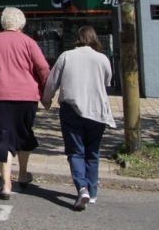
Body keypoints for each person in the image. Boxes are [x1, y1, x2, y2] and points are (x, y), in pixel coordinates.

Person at [0, 7, 50, 200]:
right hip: (27, 97)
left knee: (4, 137)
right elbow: (43, 68)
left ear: (3, 23)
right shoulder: (29, 42)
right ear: (21, 23)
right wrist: (45, 92)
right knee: (24, 134)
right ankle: (23, 175)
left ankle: (6, 184)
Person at [43, 25, 115, 211]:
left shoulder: (66, 56)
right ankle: (92, 192)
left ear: (78, 38)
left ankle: (81, 187)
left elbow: (52, 81)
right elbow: (107, 82)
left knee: (75, 152)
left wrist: (46, 99)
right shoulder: (102, 59)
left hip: (71, 110)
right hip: (97, 111)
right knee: (93, 152)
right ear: (94, 39)